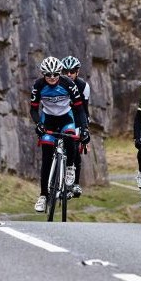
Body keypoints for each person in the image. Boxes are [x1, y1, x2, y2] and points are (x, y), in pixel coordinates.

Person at [30, 56, 90, 212]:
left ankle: (70, 167)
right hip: (48, 119)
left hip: (66, 118)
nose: (51, 78)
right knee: (46, 157)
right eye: (48, 74)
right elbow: (33, 109)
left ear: (59, 73)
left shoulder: (68, 84)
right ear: (43, 74)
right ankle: (43, 196)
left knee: (71, 137)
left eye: (55, 74)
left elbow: (79, 108)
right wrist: (38, 124)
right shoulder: (38, 85)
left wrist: (84, 129)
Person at [61, 56, 90, 197]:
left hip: (77, 117)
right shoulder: (57, 84)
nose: (68, 74)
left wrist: (85, 128)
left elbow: (84, 108)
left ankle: (75, 183)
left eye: (71, 71)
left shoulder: (83, 86)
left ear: (77, 72)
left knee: (75, 148)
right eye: (65, 71)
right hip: (62, 117)